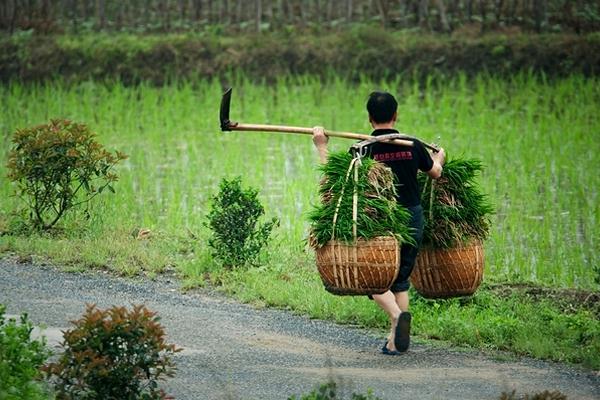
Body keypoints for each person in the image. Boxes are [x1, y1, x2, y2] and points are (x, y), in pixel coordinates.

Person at [312, 91, 445, 355]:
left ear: (370, 118)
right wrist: (439, 157)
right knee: (400, 278)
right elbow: (436, 173)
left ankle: (396, 317)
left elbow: (333, 184)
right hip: (412, 216)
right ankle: (396, 342)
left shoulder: (364, 148)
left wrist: (321, 145)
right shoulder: (412, 145)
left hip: (379, 222)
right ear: (396, 115)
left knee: (372, 276)